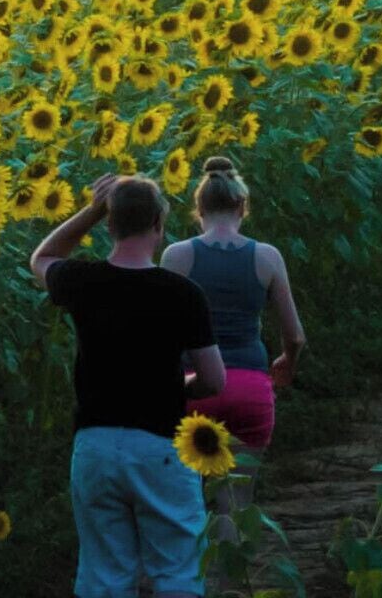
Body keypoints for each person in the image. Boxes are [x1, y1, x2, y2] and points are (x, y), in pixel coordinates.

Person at [32, 174, 226, 598]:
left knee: (104, 576)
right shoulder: (183, 294)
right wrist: (181, 384)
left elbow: (42, 257)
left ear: (108, 226)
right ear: (158, 224)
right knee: (176, 572)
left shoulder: (82, 282)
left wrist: (93, 208)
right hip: (159, 447)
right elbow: (213, 380)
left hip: (96, 445)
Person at [160, 158, 307, 458]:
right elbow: (295, 337)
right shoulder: (267, 257)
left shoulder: (177, 256)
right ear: (242, 207)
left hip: (192, 388)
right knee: (238, 498)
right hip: (249, 388)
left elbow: (161, 333)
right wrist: (287, 362)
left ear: (199, 209)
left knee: (189, 495)